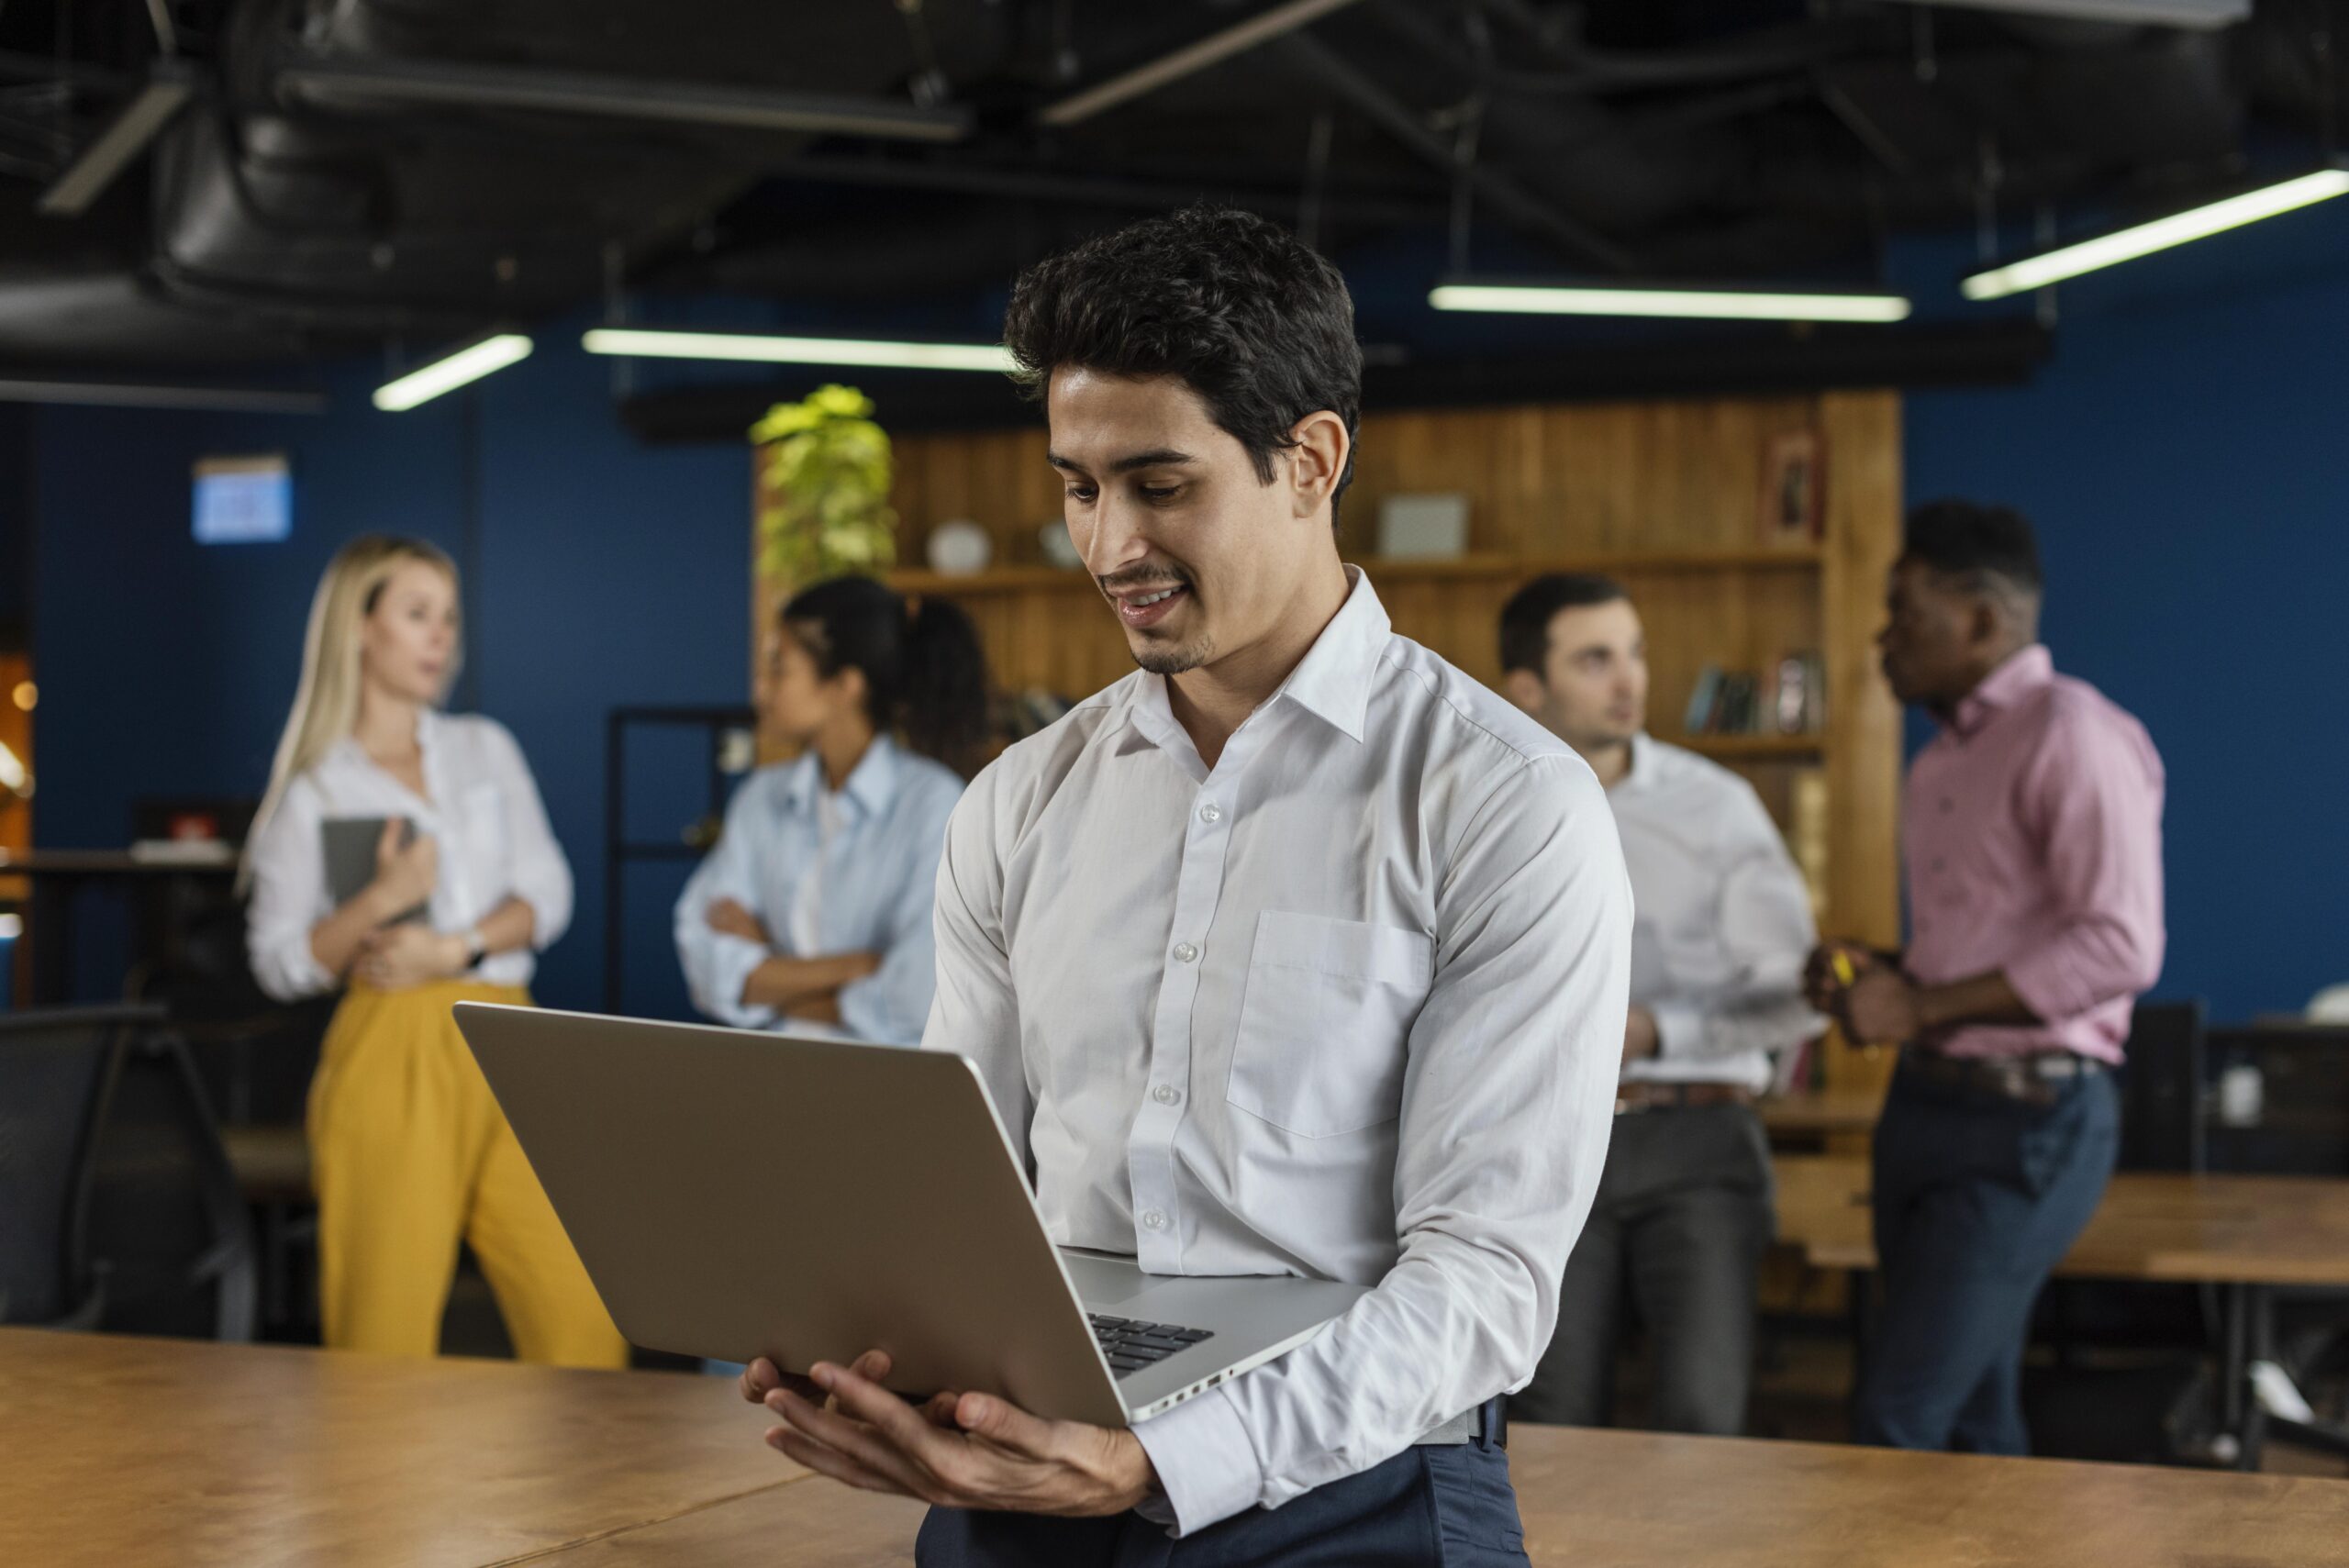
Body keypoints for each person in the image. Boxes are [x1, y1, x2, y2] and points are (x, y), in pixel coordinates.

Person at [738, 207, 1631, 1564]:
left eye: (1160, 485)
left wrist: (1157, 1460)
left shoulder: (1507, 806)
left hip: (1359, 1495)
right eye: (1077, 487)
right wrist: (871, 1357)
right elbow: (959, 1192)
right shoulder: (1021, 803)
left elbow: (1487, 1281)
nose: (1108, 548)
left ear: (1311, 460)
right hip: (1033, 1469)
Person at [1806, 499, 2165, 1454]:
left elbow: (2121, 943)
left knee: (1895, 1414)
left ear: (1979, 618)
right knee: (1969, 1414)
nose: (1883, 638)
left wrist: (1916, 1002)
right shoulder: (1939, 760)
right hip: (1924, 1102)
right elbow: (1970, 950)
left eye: (1902, 612)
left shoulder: (2074, 732)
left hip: (2029, 1124)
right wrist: (1877, 971)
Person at [244, 535, 624, 1366]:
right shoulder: (315, 790)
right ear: (359, 626)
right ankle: (375, 1500)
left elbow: (548, 895)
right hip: (390, 1048)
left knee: (585, 1324)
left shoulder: (485, 747)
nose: (440, 636)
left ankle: (588, 1501)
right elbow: (277, 961)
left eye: (448, 618)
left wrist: (452, 946)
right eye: (416, 614)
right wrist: (379, 900)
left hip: (512, 1036)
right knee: (382, 1338)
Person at [1497, 573, 1820, 1437]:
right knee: (1551, 1421)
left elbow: (1799, 998)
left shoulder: (1716, 806)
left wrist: (1656, 1029)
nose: (1629, 678)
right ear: (1528, 688)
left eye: (1634, 653)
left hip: (1697, 1139)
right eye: (1595, 659)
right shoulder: (1488, 805)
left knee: (1700, 1423)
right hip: (1552, 1138)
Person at [674, 576, 985, 1044]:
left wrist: (769, 969)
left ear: (844, 685)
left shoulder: (935, 803)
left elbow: (918, 993)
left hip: (890, 1085)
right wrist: (858, 965)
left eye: (779, 669)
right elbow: (702, 954)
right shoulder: (761, 798)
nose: (760, 688)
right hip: (768, 1072)